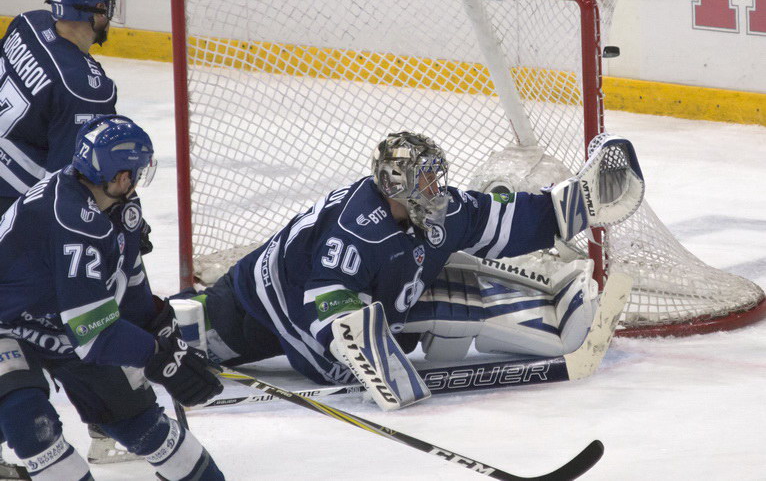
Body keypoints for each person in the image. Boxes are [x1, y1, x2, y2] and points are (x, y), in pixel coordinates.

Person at [178, 131, 643, 411]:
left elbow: (495, 219)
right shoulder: (357, 232)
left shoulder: (435, 211)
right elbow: (327, 298)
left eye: (436, 176)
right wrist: (374, 360)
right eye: (426, 178)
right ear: (396, 186)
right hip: (275, 311)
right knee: (186, 331)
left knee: (455, 271)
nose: (436, 186)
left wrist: (576, 203)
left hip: (308, 298)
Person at [0, 115, 225, 480]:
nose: (136, 180)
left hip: (63, 322)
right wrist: (156, 355)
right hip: (8, 325)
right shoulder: (73, 221)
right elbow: (96, 336)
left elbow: (130, 283)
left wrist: (156, 327)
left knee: (146, 426)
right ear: (121, 177)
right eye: (136, 172)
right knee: (30, 422)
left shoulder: (119, 208)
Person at [0, 0, 123, 216]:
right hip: (10, 198)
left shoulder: (28, 22)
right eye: (110, 4)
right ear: (98, 9)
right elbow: (64, 184)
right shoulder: (84, 90)